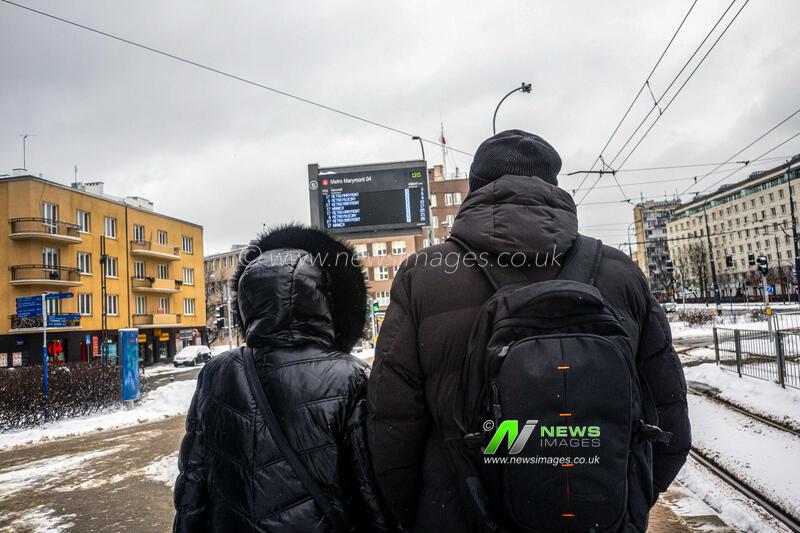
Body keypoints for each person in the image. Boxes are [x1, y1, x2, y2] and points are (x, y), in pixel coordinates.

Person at [367, 130, 691, 532]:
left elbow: (390, 427)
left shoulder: (424, 276)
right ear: (553, 187)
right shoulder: (619, 272)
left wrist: (429, 510)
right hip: (600, 514)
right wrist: (626, 505)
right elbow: (670, 418)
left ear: (475, 189)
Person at [174, 225, 394, 532]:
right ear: (321, 300)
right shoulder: (349, 376)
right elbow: (368, 485)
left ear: (248, 302)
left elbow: (193, 480)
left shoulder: (218, 372)